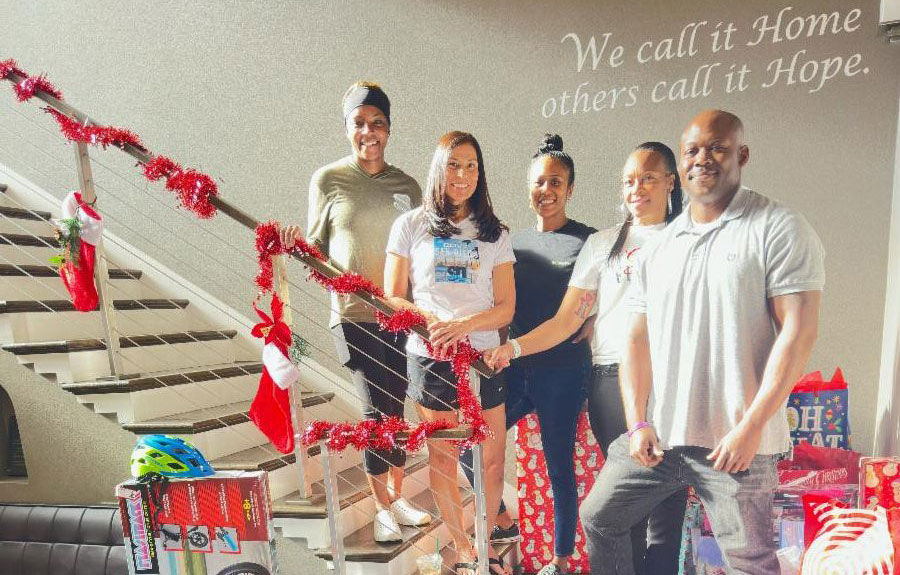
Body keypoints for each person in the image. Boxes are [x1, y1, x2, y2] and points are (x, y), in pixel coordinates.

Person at [576, 110, 825, 575]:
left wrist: (750, 428)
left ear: (742, 154)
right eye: (692, 150)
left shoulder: (777, 227)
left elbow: (798, 332)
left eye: (717, 147)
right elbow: (636, 340)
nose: (702, 159)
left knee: (749, 562)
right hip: (663, 438)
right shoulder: (663, 246)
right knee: (600, 517)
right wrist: (637, 424)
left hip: (736, 446)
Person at [485, 142, 688, 574]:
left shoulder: (690, 237)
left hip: (675, 381)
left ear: (671, 181)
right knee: (621, 511)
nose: (637, 188)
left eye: (649, 178)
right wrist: (514, 348)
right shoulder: (602, 244)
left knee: (668, 515)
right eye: (629, 180)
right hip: (612, 383)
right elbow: (564, 321)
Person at [280, 81, 431, 543]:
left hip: (401, 317)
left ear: (389, 129)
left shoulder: (407, 186)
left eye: (378, 123)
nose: (369, 132)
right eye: (359, 123)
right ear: (348, 128)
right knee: (372, 412)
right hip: (352, 314)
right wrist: (295, 245)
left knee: (396, 408)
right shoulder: (328, 180)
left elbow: (422, 253)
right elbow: (316, 247)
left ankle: (398, 498)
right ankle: (380, 508)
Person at [459, 134, 596, 575]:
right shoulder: (508, 242)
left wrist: (596, 320)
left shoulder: (588, 241)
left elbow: (619, 292)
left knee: (560, 467)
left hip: (563, 371)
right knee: (468, 446)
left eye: (557, 182)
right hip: (513, 369)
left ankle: (559, 560)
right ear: (528, 186)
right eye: (539, 182)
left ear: (570, 189)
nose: (547, 190)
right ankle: (500, 518)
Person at [384, 131, 514, 575]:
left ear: (481, 173)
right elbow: (391, 297)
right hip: (432, 357)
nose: (463, 175)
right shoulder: (411, 225)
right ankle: (462, 548)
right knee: (444, 456)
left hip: (484, 359)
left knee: (493, 456)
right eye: (454, 165)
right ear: (439, 169)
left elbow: (505, 307)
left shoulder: (495, 234)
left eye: (472, 166)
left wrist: (465, 326)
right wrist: (432, 322)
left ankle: (485, 540)